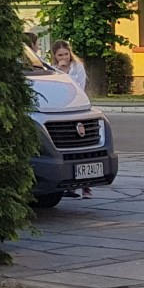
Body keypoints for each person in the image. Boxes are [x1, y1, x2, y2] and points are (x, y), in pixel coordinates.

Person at [51, 41, 92, 198]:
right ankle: (71, 186)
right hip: (61, 110)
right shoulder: (53, 69)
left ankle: (86, 187)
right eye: (60, 55)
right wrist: (60, 70)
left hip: (77, 107)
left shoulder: (77, 67)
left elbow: (80, 86)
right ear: (55, 56)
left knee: (84, 146)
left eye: (66, 54)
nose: (64, 58)